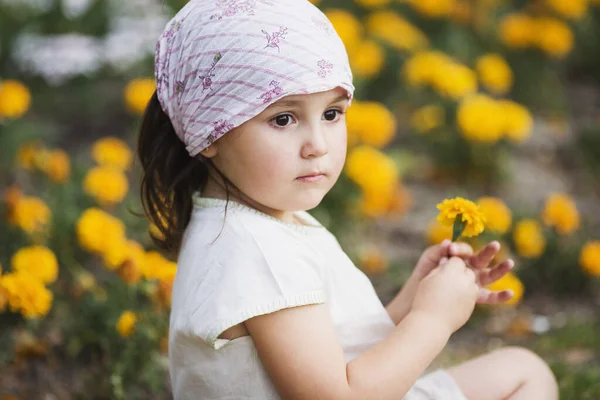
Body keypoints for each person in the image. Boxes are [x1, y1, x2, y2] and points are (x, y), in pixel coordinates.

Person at [137, 1, 559, 399]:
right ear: (210, 132)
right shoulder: (260, 254)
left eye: (332, 113)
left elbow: (335, 355)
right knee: (524, 372)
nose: (317, 144)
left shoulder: (249, 224)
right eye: (283, 119)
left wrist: (416, 297)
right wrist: (433, 320)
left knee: (521, 368)